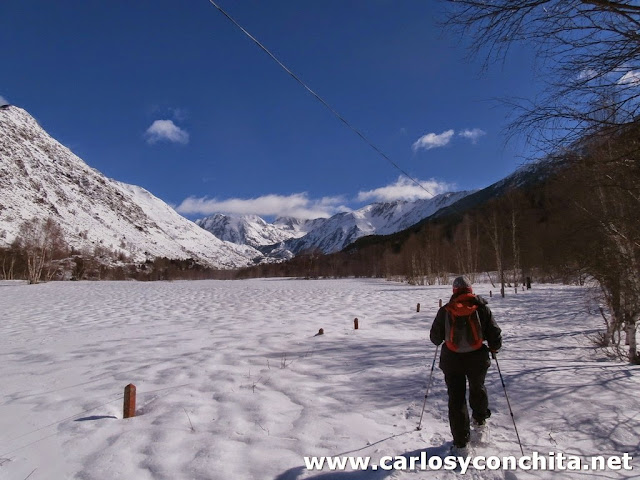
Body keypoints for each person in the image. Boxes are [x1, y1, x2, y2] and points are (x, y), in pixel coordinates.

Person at [429, 276, 502, 451]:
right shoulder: (482, 308)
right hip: (477, 358)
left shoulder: (446, 310)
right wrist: (494, 348)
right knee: (478, 387)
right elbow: (495, 334)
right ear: (470, 289)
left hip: (452, 360)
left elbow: (435, 338)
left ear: (454, 291)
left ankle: (461, 443)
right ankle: (480, 420)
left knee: (456, 399)